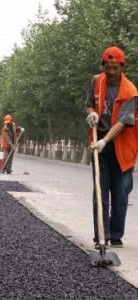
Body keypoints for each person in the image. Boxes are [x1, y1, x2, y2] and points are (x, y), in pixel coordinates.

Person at [85, 46, 138, 249]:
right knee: (100, 190)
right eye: (108, 68)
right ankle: (101, 235)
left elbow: (123, 122)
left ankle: (115, 235)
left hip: (122, 147)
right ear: (103, 66)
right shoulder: (96, 81)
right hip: (99, 145)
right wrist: (91, 114)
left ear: (122, 67)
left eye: (115, 68)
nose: (111, 72)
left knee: (120, 193)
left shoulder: (130, 91)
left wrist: (105, 140)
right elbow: (89, 104)